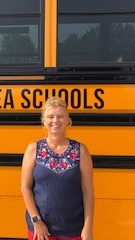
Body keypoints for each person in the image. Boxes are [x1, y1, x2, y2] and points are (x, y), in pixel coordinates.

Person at [21, 96, 94, 240]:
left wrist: (88, 227)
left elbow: (88, 190)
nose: (55, 121)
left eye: (60, 116)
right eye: (50, 116)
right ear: (44, 120)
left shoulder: (81, 150)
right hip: (42, 231)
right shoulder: (33, 149)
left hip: (74, 230)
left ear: (68, 120)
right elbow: (25, 187)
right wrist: (37, 221)